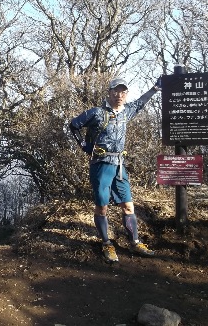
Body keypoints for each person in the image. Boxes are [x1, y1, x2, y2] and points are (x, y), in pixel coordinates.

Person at [69, 77, 161, 263]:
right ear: (109, 93)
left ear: (126, 94)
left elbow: (141, 102)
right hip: (101, 164)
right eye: (116, 91)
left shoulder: (127, 111)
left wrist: (155, 88)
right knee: (102, 206)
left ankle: (135, 242)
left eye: (123, 92)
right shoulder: (96, 113)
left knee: (128, 205)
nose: (119, 95)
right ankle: (106, 244)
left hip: (119, 165)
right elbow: (73, 125)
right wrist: (84, 145)